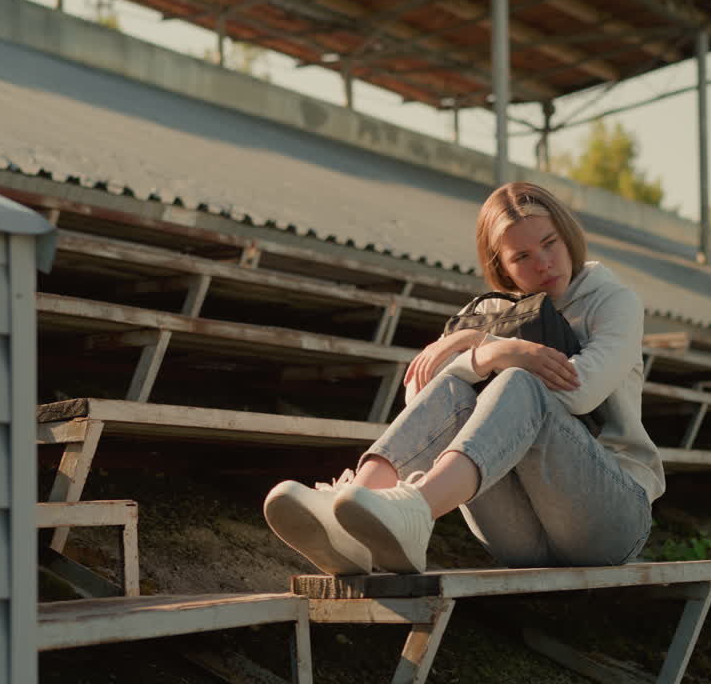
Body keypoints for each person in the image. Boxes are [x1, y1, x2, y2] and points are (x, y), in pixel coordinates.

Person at [263, 181, 664, 575]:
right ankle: (351, 512)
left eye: (550, 243)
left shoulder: (614, 301)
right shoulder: (492, 311)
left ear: (568, 236)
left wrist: (486, 348)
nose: (542, 263)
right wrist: (491, 352)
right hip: (519, 533)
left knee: (518, 383)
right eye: (521, 256)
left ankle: (416, 510)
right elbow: (422, 394)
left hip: (610, 519)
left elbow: (580, 393)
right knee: (458, 388)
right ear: (501, 267)